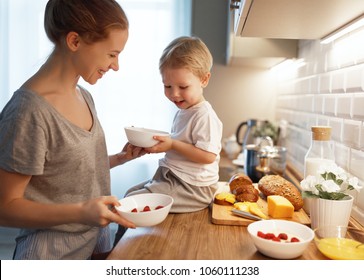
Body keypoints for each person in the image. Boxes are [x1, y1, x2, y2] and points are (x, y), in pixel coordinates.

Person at [0, 0, 145, 260]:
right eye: (112, 54)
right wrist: (81, 212)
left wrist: (119, 159)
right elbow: (5, 207)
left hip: (94, 240)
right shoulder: (29, 111)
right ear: (75, 41)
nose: (116, 66)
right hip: (50, 253)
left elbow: (66, 175)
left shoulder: (84, 96)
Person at [114, 36, 223, 245]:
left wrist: (172, 144)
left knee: (128, 204)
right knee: (129, 195)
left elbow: (208, 156)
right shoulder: (186, 110)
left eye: (182, 86)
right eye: (167, 86)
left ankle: (117, 253)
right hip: (175, 178)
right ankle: (118, 248)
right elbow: (182, 143)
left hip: (193, 188)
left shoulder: (204, 115)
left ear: (204, 79)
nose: (174, 94)